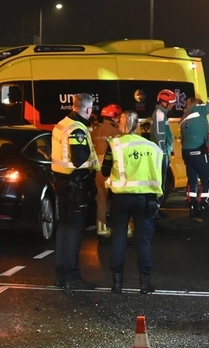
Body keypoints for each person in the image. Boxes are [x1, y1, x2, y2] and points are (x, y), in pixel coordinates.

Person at [102, 110, 164, 294]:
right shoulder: (152, 147)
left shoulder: (114, 144)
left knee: (119, 238)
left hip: (121, 198)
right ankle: (145, 284)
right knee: (143, 240)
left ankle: (117, 284)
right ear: (137, 125)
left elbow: (105, 170)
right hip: (146, 199)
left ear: (121, 125)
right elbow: (160, 171)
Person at [51, 92, 100, 289]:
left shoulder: (62, 123)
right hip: (75, 184)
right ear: (88, 109)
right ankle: (72, 276)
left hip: (62, 181)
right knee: (74, 231)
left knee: (63, 228)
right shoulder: (77, 129)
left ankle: (61, 274)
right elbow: (79, 158)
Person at [180, 68, 209, 222]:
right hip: (198, 151)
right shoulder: (198, 110)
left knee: (192, 179)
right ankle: (204, 205)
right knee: (207, 178)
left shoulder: (184, 117)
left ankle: (192, 208)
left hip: (187, 152)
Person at [91, 103, 123, 239]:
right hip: (110, 170)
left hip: (96, 171)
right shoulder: (114, 132)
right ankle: (123, 230)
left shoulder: (94, 131)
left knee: (101, 200)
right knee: (119, 201)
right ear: (114, 117)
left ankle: (102, 230)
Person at [150, 89, 177, 214]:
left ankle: (156, 209)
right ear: (163, 102)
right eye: (170, 102)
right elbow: (160, 135)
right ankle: (155, 211)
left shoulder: (160, 113)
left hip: (163, 153)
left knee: (160, 182)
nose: (172, 105)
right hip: (161, 154)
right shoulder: (159, 114)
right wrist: (163, 153)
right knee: (159, 183)